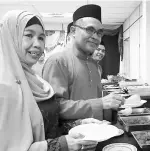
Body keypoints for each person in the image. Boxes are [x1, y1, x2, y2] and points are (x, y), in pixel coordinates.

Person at [0, 10, 102, 151]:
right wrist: (62, 144)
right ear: (10, 38)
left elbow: (50, 122)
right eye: (29, 35)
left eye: (41, 38)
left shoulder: (36, 81)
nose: (37, 44)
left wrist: (79, 123)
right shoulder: (5, 87)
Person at [42, 4, 125, 121]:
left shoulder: (95, 66)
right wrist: (100, 103)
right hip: (72, 137)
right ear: (73, 31)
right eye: (90, 30)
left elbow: (98, 103)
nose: (95, 37)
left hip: (98, 132)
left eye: (99, 33)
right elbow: (54, 108)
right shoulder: (58, 62)